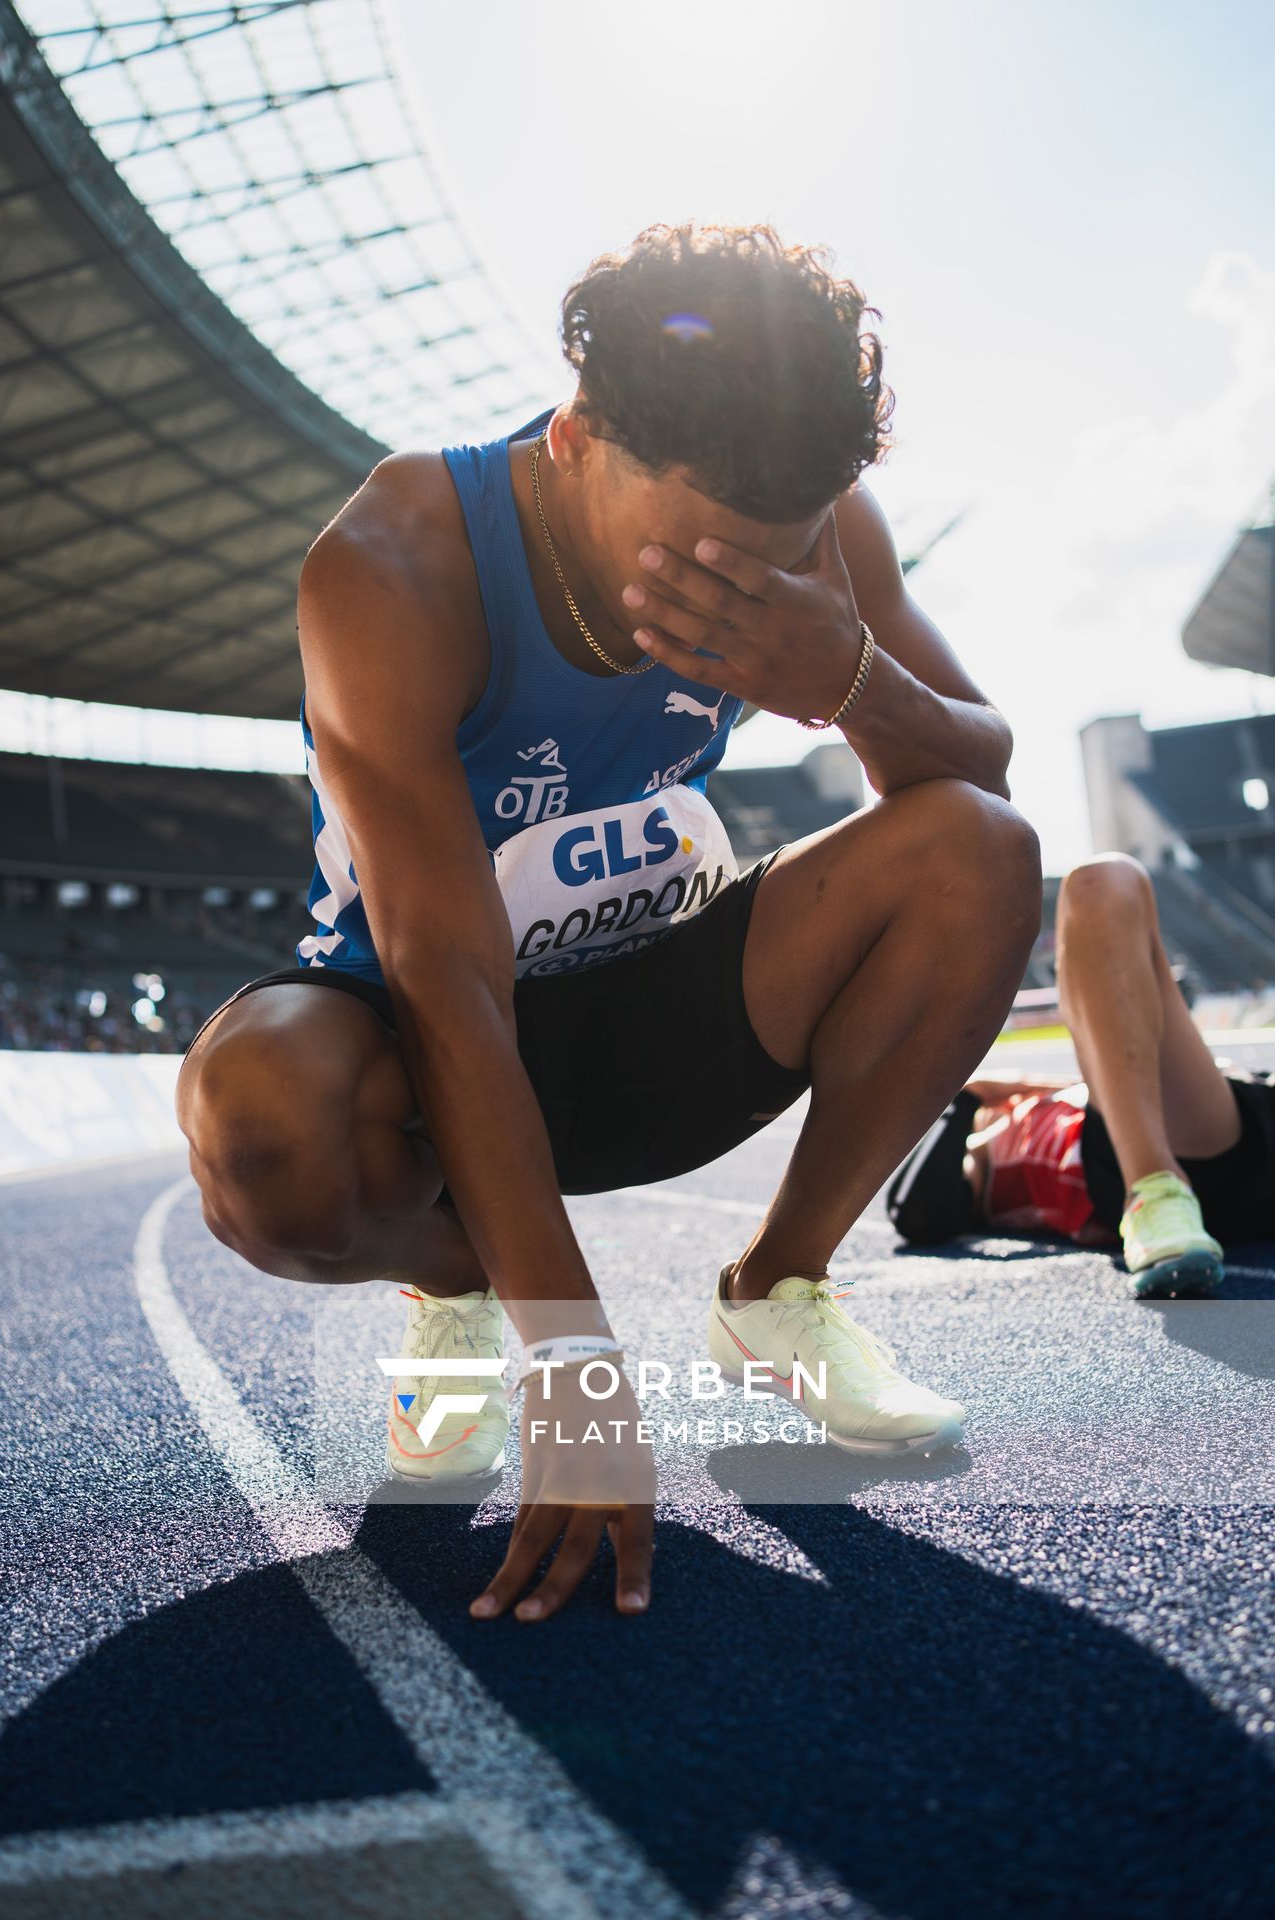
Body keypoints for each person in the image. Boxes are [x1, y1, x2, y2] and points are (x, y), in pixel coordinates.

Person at [175, 222, 1041, 1622]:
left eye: (774, 555)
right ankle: (458, 1286)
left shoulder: (825, 532)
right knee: (261, 1116)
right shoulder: (396, 559)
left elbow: (980, 774)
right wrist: (571, 1361)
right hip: (423, 1035)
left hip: (657, 1005)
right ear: (577, 438)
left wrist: (847, 676)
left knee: (979, 852)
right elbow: (448, 976)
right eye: (694, 547)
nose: (735, 582)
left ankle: (779, 1288)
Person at [887, 852, 1275, 1293]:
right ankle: (1153, 1190)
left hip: (1234, 1118)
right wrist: (970, 1095)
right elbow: (913, 1212)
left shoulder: (1077, 1096)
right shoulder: (987, 1157)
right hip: (1175, 1159)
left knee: (1103, 878)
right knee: (1099, 882)